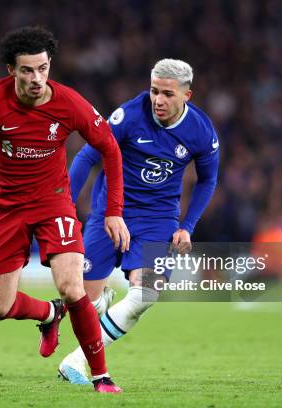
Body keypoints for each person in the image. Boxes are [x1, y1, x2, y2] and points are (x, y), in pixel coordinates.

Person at [0, 26, 130, 393]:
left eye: (43, 68)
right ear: (11, 70)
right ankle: (48, 314)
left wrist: (114, 209)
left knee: (72, 286)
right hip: (6, 208)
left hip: (54, 203)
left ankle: (101, 376)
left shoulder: (69, 103)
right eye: (27, 70)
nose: (37, 78)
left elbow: (111, 150)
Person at [58, 58, 219, 383]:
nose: (158, 100)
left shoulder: (201, 131)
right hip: (110, 213)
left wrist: (187, 226)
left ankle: (75, 361)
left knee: (145, 296)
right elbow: (88, 156)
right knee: (79, 300)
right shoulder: (129, 116)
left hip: (157, 219)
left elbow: (207, 180)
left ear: (187, 95)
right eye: (154, 91)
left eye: (167, 94)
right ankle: (99, 302)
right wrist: (65, 208)